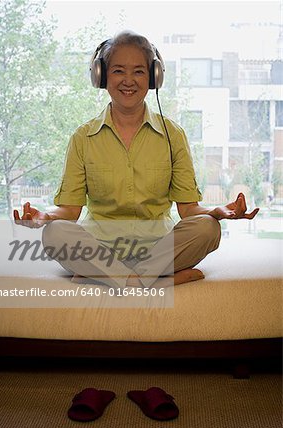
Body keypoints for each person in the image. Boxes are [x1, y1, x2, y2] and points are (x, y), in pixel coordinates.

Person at [14, 30, 259, 290]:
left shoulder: (172, 135)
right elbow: (70, 211)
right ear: (101, 75)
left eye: (139, 71)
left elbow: (188, 210)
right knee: (54, 233)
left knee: (208, 228)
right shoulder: (82, 137)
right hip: (102, 247)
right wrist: (44, 217)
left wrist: (217, 212)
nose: (128, 80)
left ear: (154, 77)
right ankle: (151, 281)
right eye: (118, 70)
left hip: (158, 248)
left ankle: (112, 278)